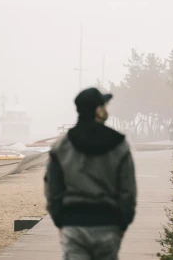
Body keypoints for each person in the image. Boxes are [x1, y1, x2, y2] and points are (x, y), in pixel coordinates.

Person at [45, 87, 137, 260]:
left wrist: (59, 219)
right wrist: (123, 222)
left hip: (73, 224)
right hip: (108, 224)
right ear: (99, 110)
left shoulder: (62, 146)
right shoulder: (120, 145)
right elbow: (128, 191)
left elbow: (52, 189)